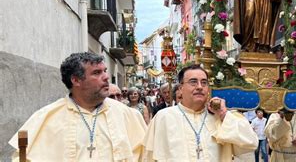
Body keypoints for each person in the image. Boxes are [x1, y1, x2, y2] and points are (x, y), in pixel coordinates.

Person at [8, 52, 146, 161]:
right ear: (76, 80)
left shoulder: (127, 115)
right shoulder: (46, 118)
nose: (106, 77)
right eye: (97, 73)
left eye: (104, 71)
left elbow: (145, 156)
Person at [142, 64, 258, 161]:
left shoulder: (220, 117)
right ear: (181, 88)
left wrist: (224, 115)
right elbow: (149, 157)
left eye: (204, 83)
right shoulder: (163, 117)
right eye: (193, 82)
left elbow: (250, 143)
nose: (199, 87)